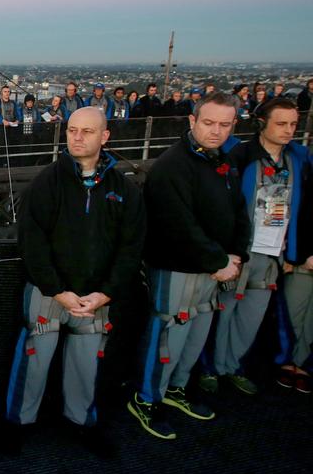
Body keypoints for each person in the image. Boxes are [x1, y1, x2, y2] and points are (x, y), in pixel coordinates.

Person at [3, 107, 144, 457]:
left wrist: (106, 292)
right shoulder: (46, 182)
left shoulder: (123, 190)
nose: (78, 137)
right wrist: (56, 289)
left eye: (87, 131)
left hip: (97, 298)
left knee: (86, 364)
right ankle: (17, 424)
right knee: (34, 360)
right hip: (49, 293)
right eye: (72, 130)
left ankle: (81, 422)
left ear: (105, 136)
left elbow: (132, 246)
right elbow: (31, 242)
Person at [128, 92, 249, 440]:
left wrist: (236, 254)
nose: (216, 131)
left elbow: (239, 210)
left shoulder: (224, 160)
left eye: (224, 125)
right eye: (208, 123)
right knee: (167, 332)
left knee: (196, 333)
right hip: (176, 267)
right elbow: (177, 224)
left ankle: (176, 388)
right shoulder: (171, 166)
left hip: (216, 268)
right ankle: (146, 398)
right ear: (192, 121)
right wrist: (220, 260)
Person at [202, 97, 306, 395]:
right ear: (262, 124)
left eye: (293, 125)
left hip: (273, 253)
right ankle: (210, 368)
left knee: (252, 317)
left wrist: (294, 251)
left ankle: (232, 366)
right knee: (223, 313)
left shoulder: (298, 159)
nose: (289, 131)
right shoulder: (240, 156)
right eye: (281, 124)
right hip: (240, 250)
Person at [279, 155, 313, 393]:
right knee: (293, 311)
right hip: (300, 257)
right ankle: (289, 359)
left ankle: (304, 364)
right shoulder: (304, 167)